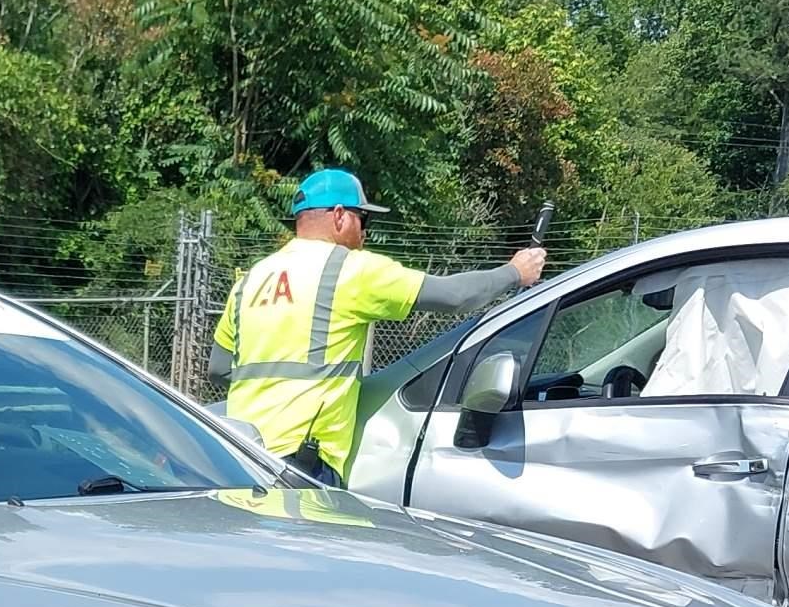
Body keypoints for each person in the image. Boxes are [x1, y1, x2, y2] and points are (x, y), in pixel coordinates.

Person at [211, 169, 545, 483]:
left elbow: (219, 369)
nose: (365, 232)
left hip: (238, 453)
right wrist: (515, 272)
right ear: (339, 215)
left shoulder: (251, 278)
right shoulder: (348, 270)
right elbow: (453, 296)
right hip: (300, 462)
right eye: (363, 218)